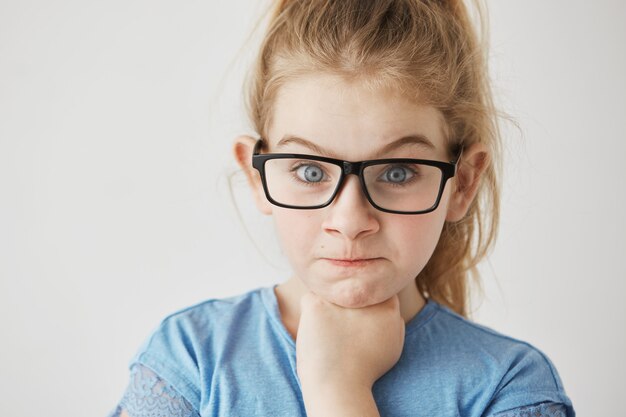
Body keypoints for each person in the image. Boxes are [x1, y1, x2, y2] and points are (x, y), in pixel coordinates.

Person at [108, 1, 575, 416]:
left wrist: (339, 391)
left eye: (396, 173)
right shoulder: (191, 359)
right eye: (311, 172)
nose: (350, 222)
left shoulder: (510, 388)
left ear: (462, 183)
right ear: (257, 177)